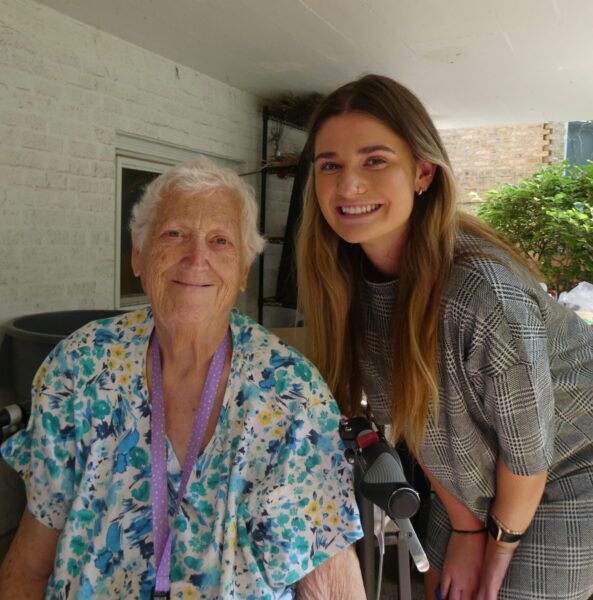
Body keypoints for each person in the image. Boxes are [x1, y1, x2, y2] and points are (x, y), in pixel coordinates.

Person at [0, 158, 365, 599]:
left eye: (220, 240)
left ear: (244, 270)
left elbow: (330, 585)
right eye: (174, 234)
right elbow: (33, 554)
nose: (197, 258)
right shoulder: (79, 366)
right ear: (138, 254)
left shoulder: (290, 393)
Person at [296, 73, 593, 600]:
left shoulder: (483, 294)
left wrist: (495, 552)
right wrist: (465, 528)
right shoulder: (349, 284)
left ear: (423, 172)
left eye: (375, 160)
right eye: (330, 166)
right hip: (474, 476)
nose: (348, 186)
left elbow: (529, 454)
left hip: (569, 469)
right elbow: (413, 419)